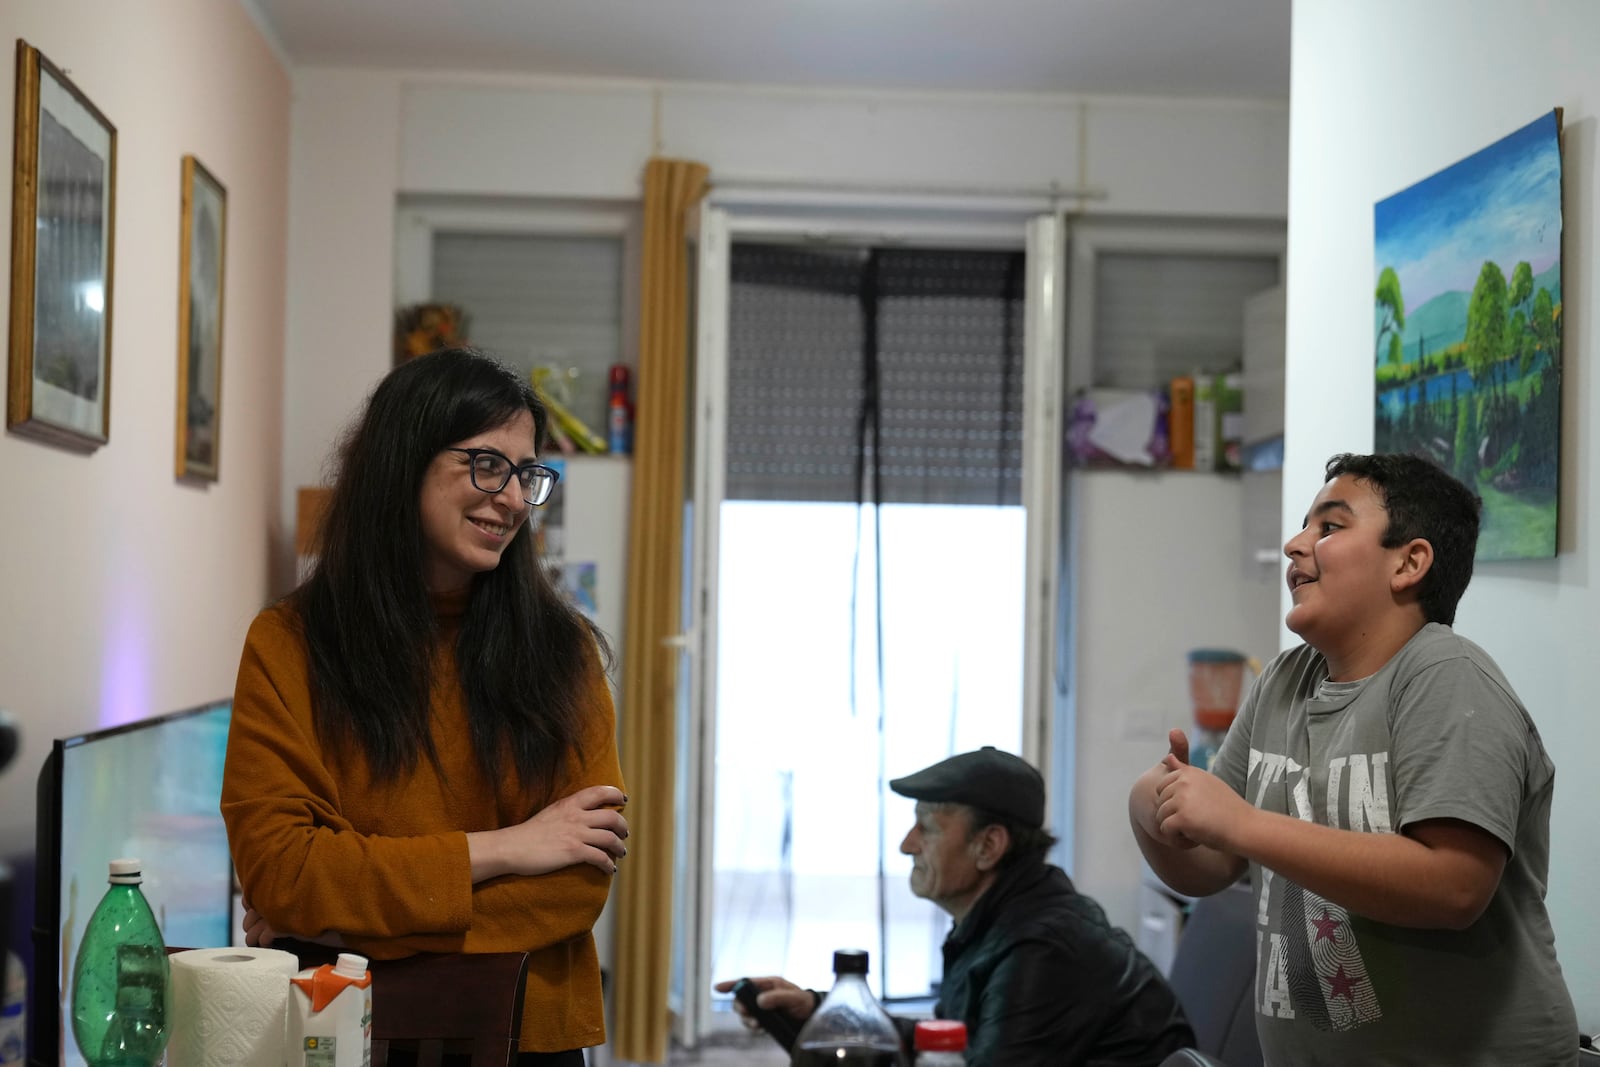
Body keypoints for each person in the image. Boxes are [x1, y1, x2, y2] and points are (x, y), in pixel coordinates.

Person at [221, 348, 627, 1066]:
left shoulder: (563, 653)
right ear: (402, 460)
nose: (510, 497)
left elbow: (572, 887)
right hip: (344, 1032)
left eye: (527, 474)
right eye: (486, 464)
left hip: (524, 1036)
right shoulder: (290, 644)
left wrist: (335, 926)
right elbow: (282, 869)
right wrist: (503, 848)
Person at [1130, 452, 1578, 1065]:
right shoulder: (1282, 682)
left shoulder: (1445, 676)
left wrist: (1240, 821)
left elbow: (1454, 885)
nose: (1295, 545)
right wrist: (1153, 811)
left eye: (1329, 527)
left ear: (1409, 563)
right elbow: (1209, 869)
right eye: (1304, 526)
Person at [719, 747, 1194, 1066]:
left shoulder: (1042, 946)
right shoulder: (1001, 920)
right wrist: (822, 1013)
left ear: (988, 846)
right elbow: (955, 1040)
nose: (907, 845)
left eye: (926, 827)